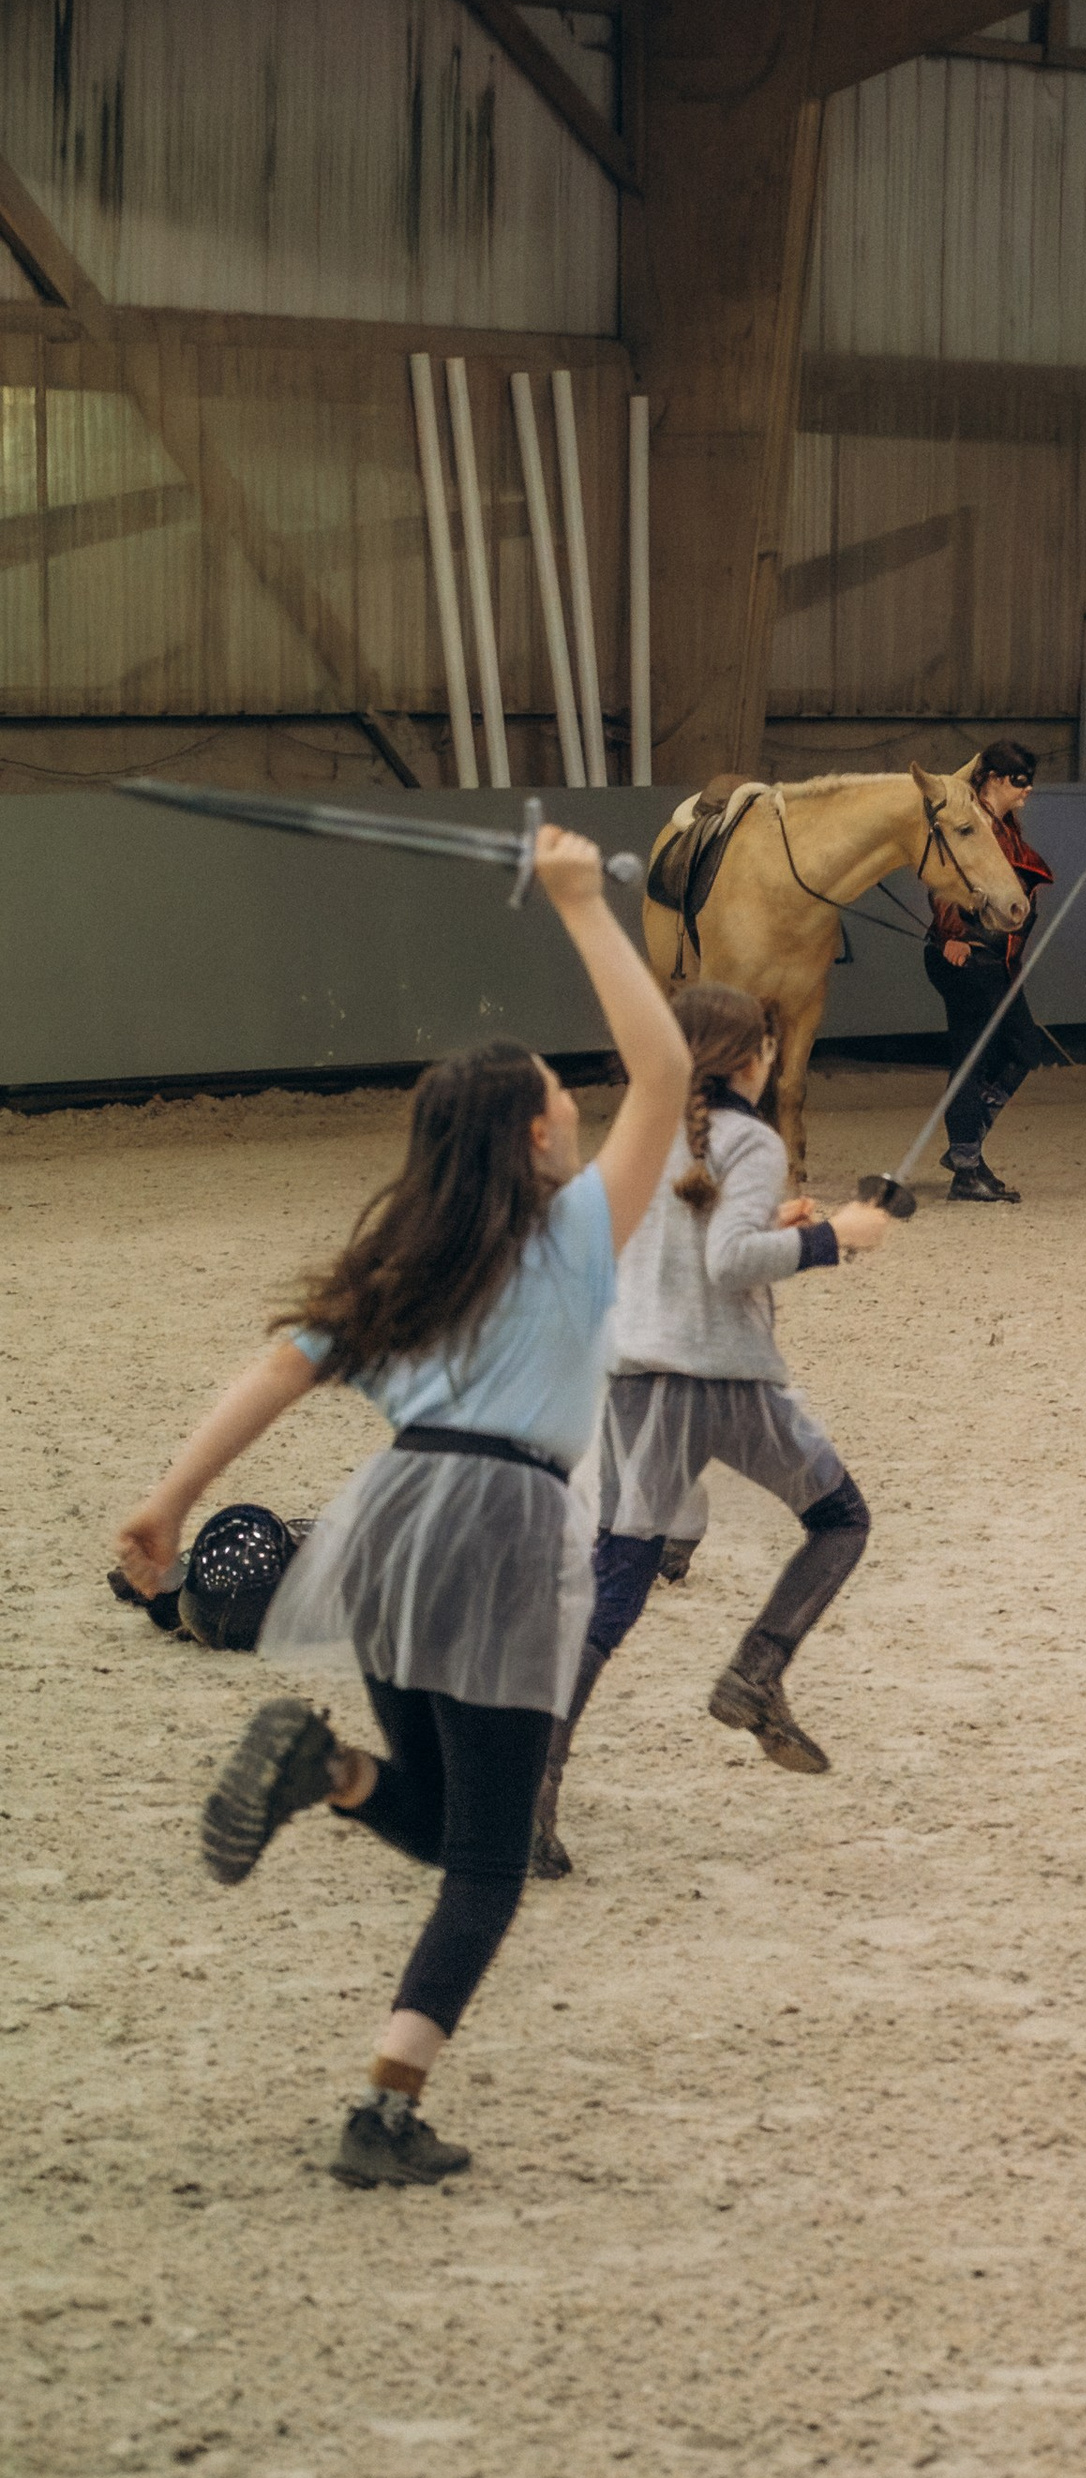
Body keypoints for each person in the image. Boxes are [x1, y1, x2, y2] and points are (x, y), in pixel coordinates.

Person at [113, 831, 690, 2190]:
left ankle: (332, 1773)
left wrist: (168, 1503)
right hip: (505, 1533)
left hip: (386, 1528)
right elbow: (665, 1069)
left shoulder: (402, 1261)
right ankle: (385, 2106)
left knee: (435, 1810)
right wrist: (581, 906)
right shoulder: (572, 1234)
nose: (577, 1106)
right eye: (562, 1096)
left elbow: (275, 1370)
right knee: (488, 1856)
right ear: (541, 1132)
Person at [531, 979, 895, 1876]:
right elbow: (732, 1266)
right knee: (841, 1519)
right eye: (770, 1047)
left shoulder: (645, 1136)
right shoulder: (754, 1140)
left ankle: (527, 1790)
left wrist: (770, 1218)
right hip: (723, 1382)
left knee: (617, 1585)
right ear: (749, 1058)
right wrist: (833, 1236)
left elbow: (681, 1244)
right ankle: (756, 1672)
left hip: (634, 1377)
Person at [927, 739, 1052, 1203]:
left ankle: (967, 1145)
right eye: (1020, 780)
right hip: (967, 957)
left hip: (996, 961)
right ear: (995, 778)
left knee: (1022, 1047)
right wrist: (949, 935)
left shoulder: (1004, 824)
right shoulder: (970, 822)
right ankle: (966, 1165)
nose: (1028, 789)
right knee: (973, 1056)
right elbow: (945, 877)